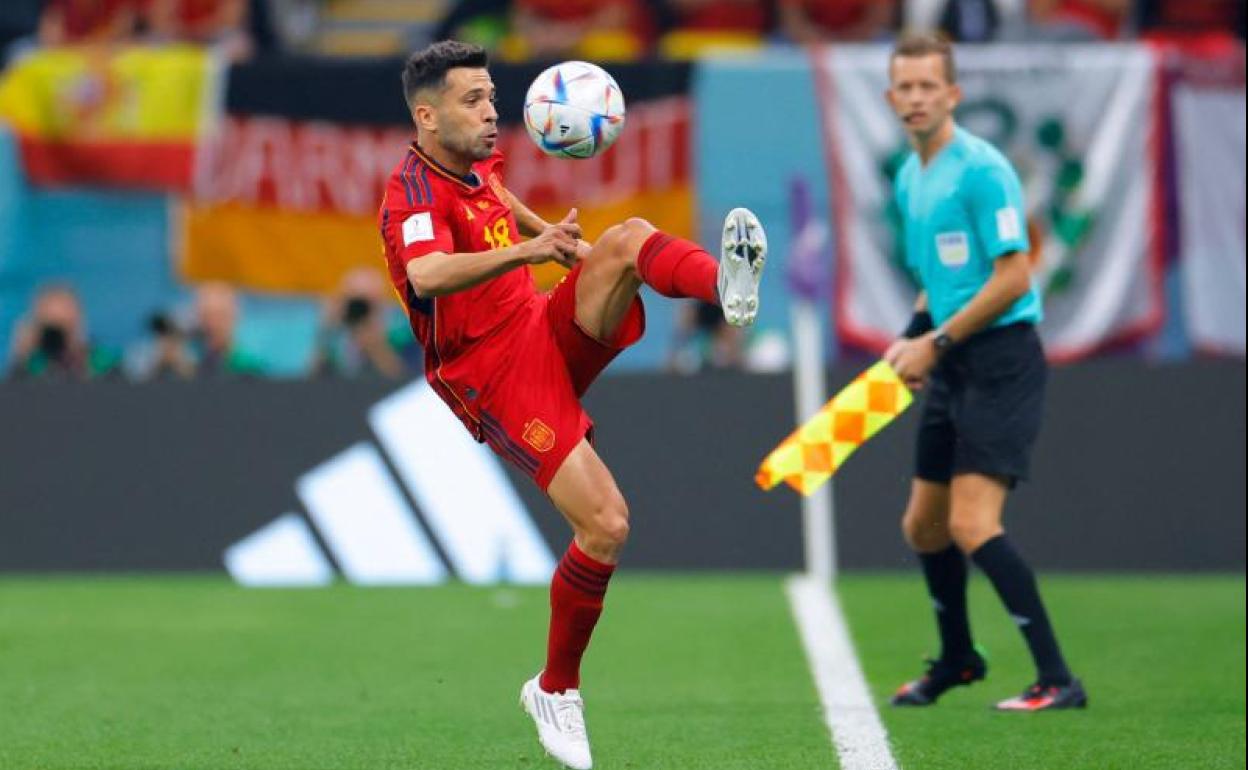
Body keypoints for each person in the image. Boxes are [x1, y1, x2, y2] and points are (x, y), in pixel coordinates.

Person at [379, 40, 766, 769]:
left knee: (625, 241)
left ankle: (726, 289)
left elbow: (499, 199)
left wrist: (549, 238)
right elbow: (427, 274)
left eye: (493, 98)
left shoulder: (476, 167)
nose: (493, 114)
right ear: (426, 117)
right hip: (489, 372)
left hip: (534, 324)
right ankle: (554, 689)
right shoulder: (413, 192)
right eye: (473, 102)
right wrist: (529, 255)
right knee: (607, 524)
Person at [881, 33, 1086, 712]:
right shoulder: (911, 176)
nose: (915, 98)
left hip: (1001, 359)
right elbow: (935, 281)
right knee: (924, 527)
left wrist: (932, 342)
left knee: (972, 524)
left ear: (953, 95)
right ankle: (960, 659)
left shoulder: (982, 169)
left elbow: (1012, 276)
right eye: (903, 87)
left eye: (926, 86)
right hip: (950, 358)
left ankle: (1058, 679)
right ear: (891, 97)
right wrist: (910, 338)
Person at [310, 267, 408, 379]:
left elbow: (408, 384)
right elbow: (311, 381)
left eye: (366, 304)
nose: (359, 311)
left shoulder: (402, 334)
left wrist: (375, 345)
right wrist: (327, 330)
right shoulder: (335, 341)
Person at [7, 283, 119, 381]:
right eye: (51, 327)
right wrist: (20, 356)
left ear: (78, 321)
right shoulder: (33, 366)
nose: (57, 336)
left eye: (65, 323)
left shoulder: (102, 362)